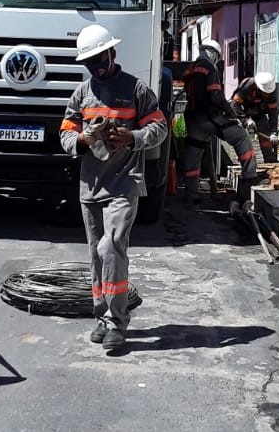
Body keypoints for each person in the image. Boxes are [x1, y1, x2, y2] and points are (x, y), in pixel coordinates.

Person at [60, 22, 167, 353]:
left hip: (124, 183)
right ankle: (102, 318)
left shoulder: (136, 90)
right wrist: (82, 139)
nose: (97, 66)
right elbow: (65, 134)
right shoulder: (82, 95)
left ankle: (117, 322)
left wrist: (132, 138)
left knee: (111, 247)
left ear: (112, 53)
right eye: (90, 62)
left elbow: (160, 127)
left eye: (100, 59)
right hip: (90, 186)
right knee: (96, 254)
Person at [182, 37, 258, 207]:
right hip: (210, 118)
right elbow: (215, 97)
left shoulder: (190, 70)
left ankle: (191, 195)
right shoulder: (209, 68)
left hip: (193, 119)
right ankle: (250, 178)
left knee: (193, 157)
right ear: (213, 53)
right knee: (241, 137)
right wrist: (229, 111)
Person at [230, 71, 279, 163]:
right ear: (258, 87)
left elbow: (273, 112)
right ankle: (245, 159)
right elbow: (234, 105)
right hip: (243, 111)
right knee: (243, 135)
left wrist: (273, 132)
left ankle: (269, 159)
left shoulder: (272, 91)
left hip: (259, 112)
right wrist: (245, 120)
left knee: (265, 131)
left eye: (267, 93)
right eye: (264, 93)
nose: (266, 95)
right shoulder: (247, 86)